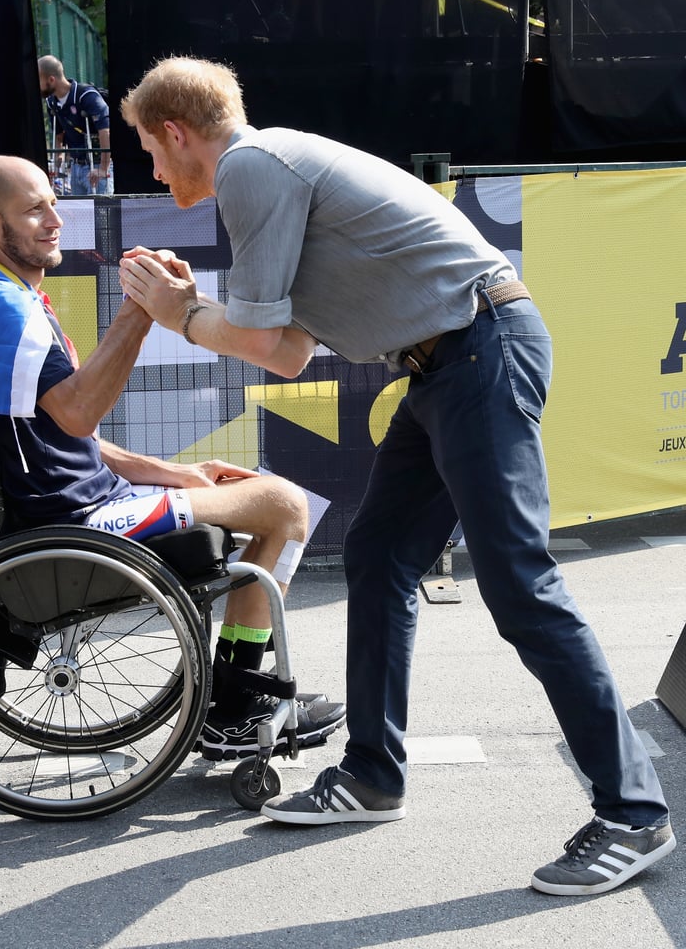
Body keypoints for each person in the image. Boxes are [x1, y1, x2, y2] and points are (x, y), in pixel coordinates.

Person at [117, 56, 676, 896]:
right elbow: (291, 347)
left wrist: (179, 316)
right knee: (379, 556)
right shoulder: (267, 169)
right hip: (448, 363)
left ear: (176, 131)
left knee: (521, 586)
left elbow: (265, 347)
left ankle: (634, 816)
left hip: (476, 353)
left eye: (152, 156)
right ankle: (372, 777)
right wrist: (196, 312)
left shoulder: (249, 168)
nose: (154, 174)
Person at [0, 153, 345, 761]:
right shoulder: (4, 309)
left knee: (261, 498)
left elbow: (70, 435)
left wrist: (177, 473)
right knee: (283, 504)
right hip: (74, 523)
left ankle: (232, 695)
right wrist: (141, 311)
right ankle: (233, 706)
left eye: (53, 202)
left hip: (78, 507)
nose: (55, 219)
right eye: (34, 210)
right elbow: (79, 416)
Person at [38, 55, 111, 195]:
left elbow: (105, 130)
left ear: (51, 79)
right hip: (75, 167)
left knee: (102, 214)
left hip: (95, 165)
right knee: (80, 215)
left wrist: (103, 168)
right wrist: (56, 165)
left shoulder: (87, 95)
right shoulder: (52, 103)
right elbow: (58, 137)